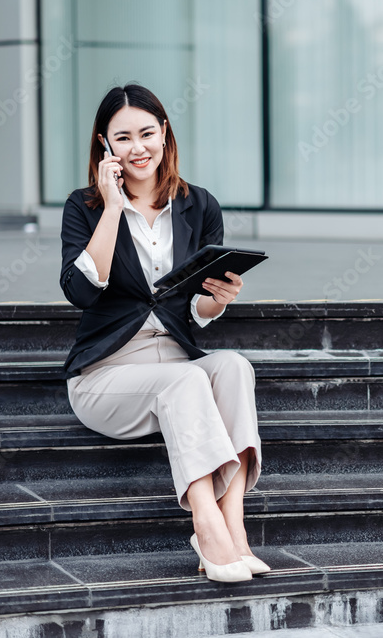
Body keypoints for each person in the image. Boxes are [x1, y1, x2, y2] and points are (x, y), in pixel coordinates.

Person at [59, 84, 264, 584]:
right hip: (106, 376)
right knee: (186, 382)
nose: (138, 147)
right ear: (104, 144)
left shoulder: (198, 205)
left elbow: (195, 306)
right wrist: (112, 208)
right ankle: (206, 523)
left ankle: (234, 526)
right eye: (123, 137)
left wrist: (219, 297)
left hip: (173, 362)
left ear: (165, 133)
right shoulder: (84, 207)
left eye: (147, 133)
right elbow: (81, 292)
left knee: (234, 366)